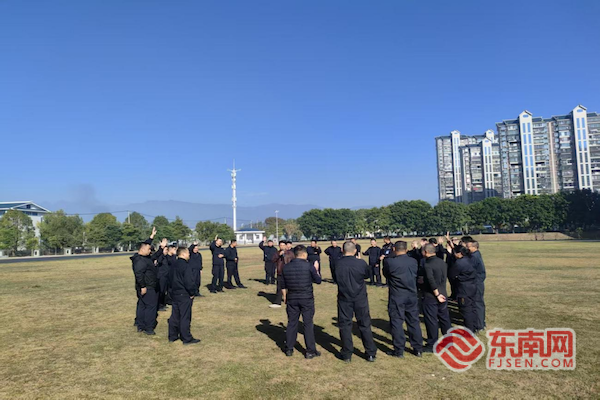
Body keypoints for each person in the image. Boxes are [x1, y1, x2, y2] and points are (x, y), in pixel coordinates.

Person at [335, 241, 377, 362]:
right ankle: (370, 352)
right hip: (360, 297)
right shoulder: (361, 263)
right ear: (355, 251)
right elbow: (367, 275)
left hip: (344, 297)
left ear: (343, 250)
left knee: (345, 325)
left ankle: (347, 353)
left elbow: (335, 277)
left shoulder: (337, 263)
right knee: (364, 324)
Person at [382, 241, 424, 358]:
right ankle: (418, 348)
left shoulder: (390, 262)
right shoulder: (413, 261)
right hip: (411, 294)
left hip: (397, 295)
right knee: (413, 321)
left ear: (394, 249)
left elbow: (386, 274)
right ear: (406, 249)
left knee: (396, 322)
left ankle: (399, 349)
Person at [280, 245, 322, 358]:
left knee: (292, 323)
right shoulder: (309, 266)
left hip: (292, 297)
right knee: (308, 324)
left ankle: (289, 348)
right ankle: (310, 350)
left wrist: (285, 297)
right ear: (304, 254)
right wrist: (316, 270)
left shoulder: (286, 267)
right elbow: (318, 280)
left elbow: (282, 284)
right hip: (306, 298)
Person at [421, 243, 451, 351]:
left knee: (431, 319)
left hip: (432, 295)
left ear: (425, 252)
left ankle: (432, 343)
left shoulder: (427, 265)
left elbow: (431, 280)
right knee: (444, 318)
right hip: (443, 292)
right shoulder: (442, 262)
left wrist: (437, 294)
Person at [168, 247, 201, 345]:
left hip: (175, 293)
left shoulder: (173, 264)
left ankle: (172, 335)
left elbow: (169, 279)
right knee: (184, 316)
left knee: (175, 315)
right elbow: (189, 281)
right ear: (183, 254)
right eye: (188, 253)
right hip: (184, 293)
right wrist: (192, 292)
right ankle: (186, 337)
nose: (189, 255)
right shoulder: (185, 266)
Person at [132, 236, 158, 335]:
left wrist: (151, 238)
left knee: (142, 305)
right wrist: (143, 286)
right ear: (142, 249)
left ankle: (140, 325)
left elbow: (147, 245)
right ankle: (148, 328)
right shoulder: (140, 260)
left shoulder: (143, 258)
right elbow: (139, 274)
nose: (150, 251)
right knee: (150, 306)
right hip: (147, 287)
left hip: (146, 286)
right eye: (148, 249)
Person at [450, 245, 478, 332]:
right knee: (473, 307)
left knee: (466, 309)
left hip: (464, 288)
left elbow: (452, 274)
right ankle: (475, 325)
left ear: (459, 253)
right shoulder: (470, 259)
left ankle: (469, 329)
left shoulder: (459, 263)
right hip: (472, 285)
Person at [466, 241, 486, 332]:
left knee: (477, 304)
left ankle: (479, 325)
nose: (467, 248)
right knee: (479, 303)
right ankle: (481, 322)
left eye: (468, 247)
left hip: (476, 283)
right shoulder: (476, 254)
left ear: (474, 247)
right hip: (478, 282)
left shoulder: (474, 257)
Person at [269, 240, 294, 308]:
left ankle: (289, 300)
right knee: (279, 287)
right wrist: (278, 255)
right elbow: (273, 260)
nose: (282, 247)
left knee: (290, 287)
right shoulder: (277, 253)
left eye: (283, 245)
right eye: (280, 245)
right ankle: (278, 302)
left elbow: (293, 261)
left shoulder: (290, 253)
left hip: (289, 272)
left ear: (286, 246)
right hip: (280, 272)